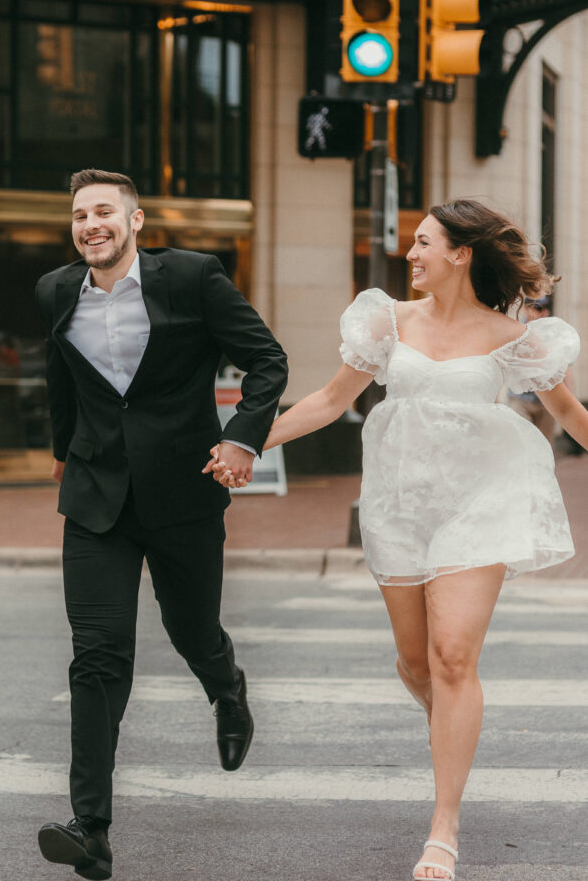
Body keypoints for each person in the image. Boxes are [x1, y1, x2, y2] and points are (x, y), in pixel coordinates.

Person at [208, 199, 588, 881]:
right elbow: (327, 401)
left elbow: (569, 414)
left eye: (423, 243)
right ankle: (454, 723)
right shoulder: (385, 322)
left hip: (482, 498)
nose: (409, 254)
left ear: (461, 253)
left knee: (450, 658)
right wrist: (243, 440)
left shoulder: (514, 336)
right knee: (417, 666)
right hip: (401, 502)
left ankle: (442, 831)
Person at [35, 168, 288, 881]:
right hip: (95, 497)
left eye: (105, 212)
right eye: (80, 214)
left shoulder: (191, 278)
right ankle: (91, 829)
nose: (91, 224)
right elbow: (62, 377)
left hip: (184, 492)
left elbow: (267, 361)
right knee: (98, 654)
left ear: (136, 221)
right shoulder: (55, 291)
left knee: (191, 630)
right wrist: (63, 454)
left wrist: (241, 436)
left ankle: (225, 687)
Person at [506, 296, 557, 444]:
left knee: (545, 445)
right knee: (521, 444)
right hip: (520, 398)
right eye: (537, 308)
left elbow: (565, 368)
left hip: (546, 401)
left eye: (545, 309)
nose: (542, 313)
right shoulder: (514, 331)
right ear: (526, 308)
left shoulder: (552, 333)